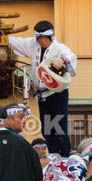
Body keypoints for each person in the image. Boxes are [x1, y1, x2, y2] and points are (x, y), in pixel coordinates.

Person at [8, 21, 76, 156]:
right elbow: (16, 42)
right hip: (42, 94)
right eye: (40, 38)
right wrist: (2, 36)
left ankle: (65, 156)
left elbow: (71, 56)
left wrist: (63, 61)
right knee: (46, 129)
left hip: (57, 93)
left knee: (59, 126)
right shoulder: (34, 45)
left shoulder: (59, 48)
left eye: (45, 38)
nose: (42, 41)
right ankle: (54, 154)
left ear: (51, 36)